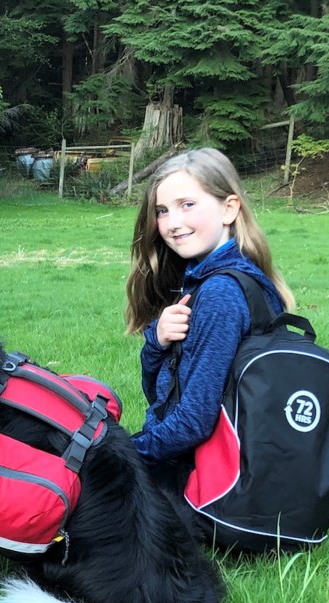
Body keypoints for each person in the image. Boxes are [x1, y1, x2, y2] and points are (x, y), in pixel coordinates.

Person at [125, 147, 295, 497]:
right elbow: (164, 398)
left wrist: (122, 455)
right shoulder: (240, 277)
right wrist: (157, 342)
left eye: (187, 205)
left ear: (229, 208)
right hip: (238, 466)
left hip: (204, 481)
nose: (173, 223)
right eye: (162, 211)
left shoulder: (220, 293)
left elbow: (191, 424)